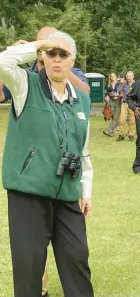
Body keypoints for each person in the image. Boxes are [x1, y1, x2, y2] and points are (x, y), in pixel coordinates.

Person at [0, 31, 94, 297]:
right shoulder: (25, 84)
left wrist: (86, 192)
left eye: (63, 54)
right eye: (51, 53)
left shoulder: (82, 100)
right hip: (28, 193)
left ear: (72, 59)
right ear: (43, 56)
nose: (56, 59)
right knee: (29, 268)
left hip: (66, 194)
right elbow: (3, 62)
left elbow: (83, 150)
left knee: (77, 259)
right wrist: (39, 44)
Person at [27, 26, 90, 94]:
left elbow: (85, 93)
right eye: (41, 43)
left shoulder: (74, 72)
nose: (43, 48)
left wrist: (61, 69)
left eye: (48, 43)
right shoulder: (27, 74)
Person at [117, 71, 136, 142]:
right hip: (124, 104)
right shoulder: (124, 84)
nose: (129, 78)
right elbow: (119, 91)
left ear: (133, 76)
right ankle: (121, 135)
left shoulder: (136, 85)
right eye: (127, 76)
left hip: (133, 104)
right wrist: (120, 83)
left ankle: (131, 135)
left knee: (132, 121)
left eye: (130, 76)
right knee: (122, 120)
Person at [103, 72, 121, 137]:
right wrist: (107, 96)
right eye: (111, 76)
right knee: (114, 116)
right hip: (112, 101)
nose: (112, 77)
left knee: (116, 116)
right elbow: (107, 92)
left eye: (113, 76)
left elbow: (122, 91)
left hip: (118, 101)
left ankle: (109, 130)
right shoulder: (109, 84)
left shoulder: (119, 83)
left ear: (116, 76)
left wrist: (118, 95)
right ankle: (112, 131)